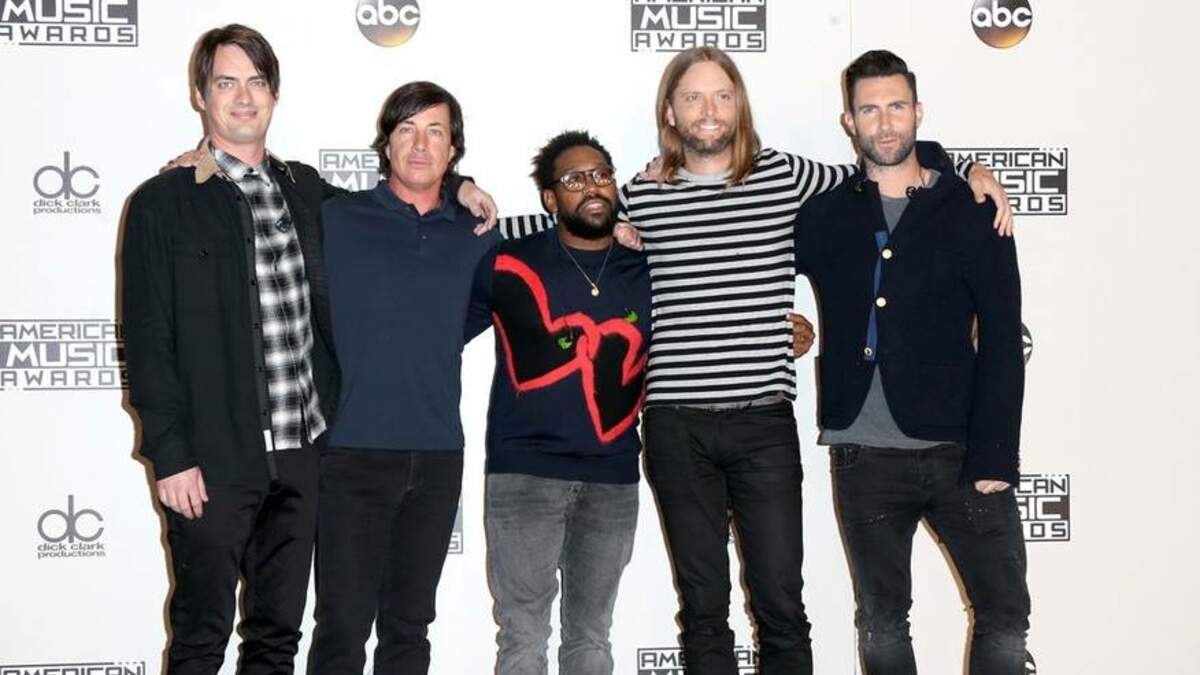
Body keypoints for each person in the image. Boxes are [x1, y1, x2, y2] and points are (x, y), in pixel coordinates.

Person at [795, 50, 1030, 674]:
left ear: (919, 112)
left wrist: (996, 455)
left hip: (961, 449)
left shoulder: (972, 210)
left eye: (897, 106)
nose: (885, 122)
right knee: (881, 621)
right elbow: (747, 264)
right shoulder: (824, 214)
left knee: (1005, 613)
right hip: (863, 453)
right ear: (849, 121)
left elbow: (1003, 338)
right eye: (870, 109)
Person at [122, 24, 338, 674]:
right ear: (200, 95)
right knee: (200, 640)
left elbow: (398, 209)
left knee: (276, 640)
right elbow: (148, 340)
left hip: (302, 454)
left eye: (257, 82)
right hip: (212, 463)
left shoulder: (307, 191)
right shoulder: (162, 203)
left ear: (274, 94)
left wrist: (461, 186)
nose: (243, 97)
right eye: (226, 82)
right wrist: (171, 455)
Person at [307, 81, 502, 675]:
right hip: (352, 453)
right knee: (341, 630)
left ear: (453, 149)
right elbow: (263, 176)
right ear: (386, 144)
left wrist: (622, 231)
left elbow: (556, 248)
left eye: (435, 132)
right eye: (407, 130)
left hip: (438, 456)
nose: (420, 145)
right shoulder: (336, 217)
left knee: (409, 630)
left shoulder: (476, 235)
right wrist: (202, 158)